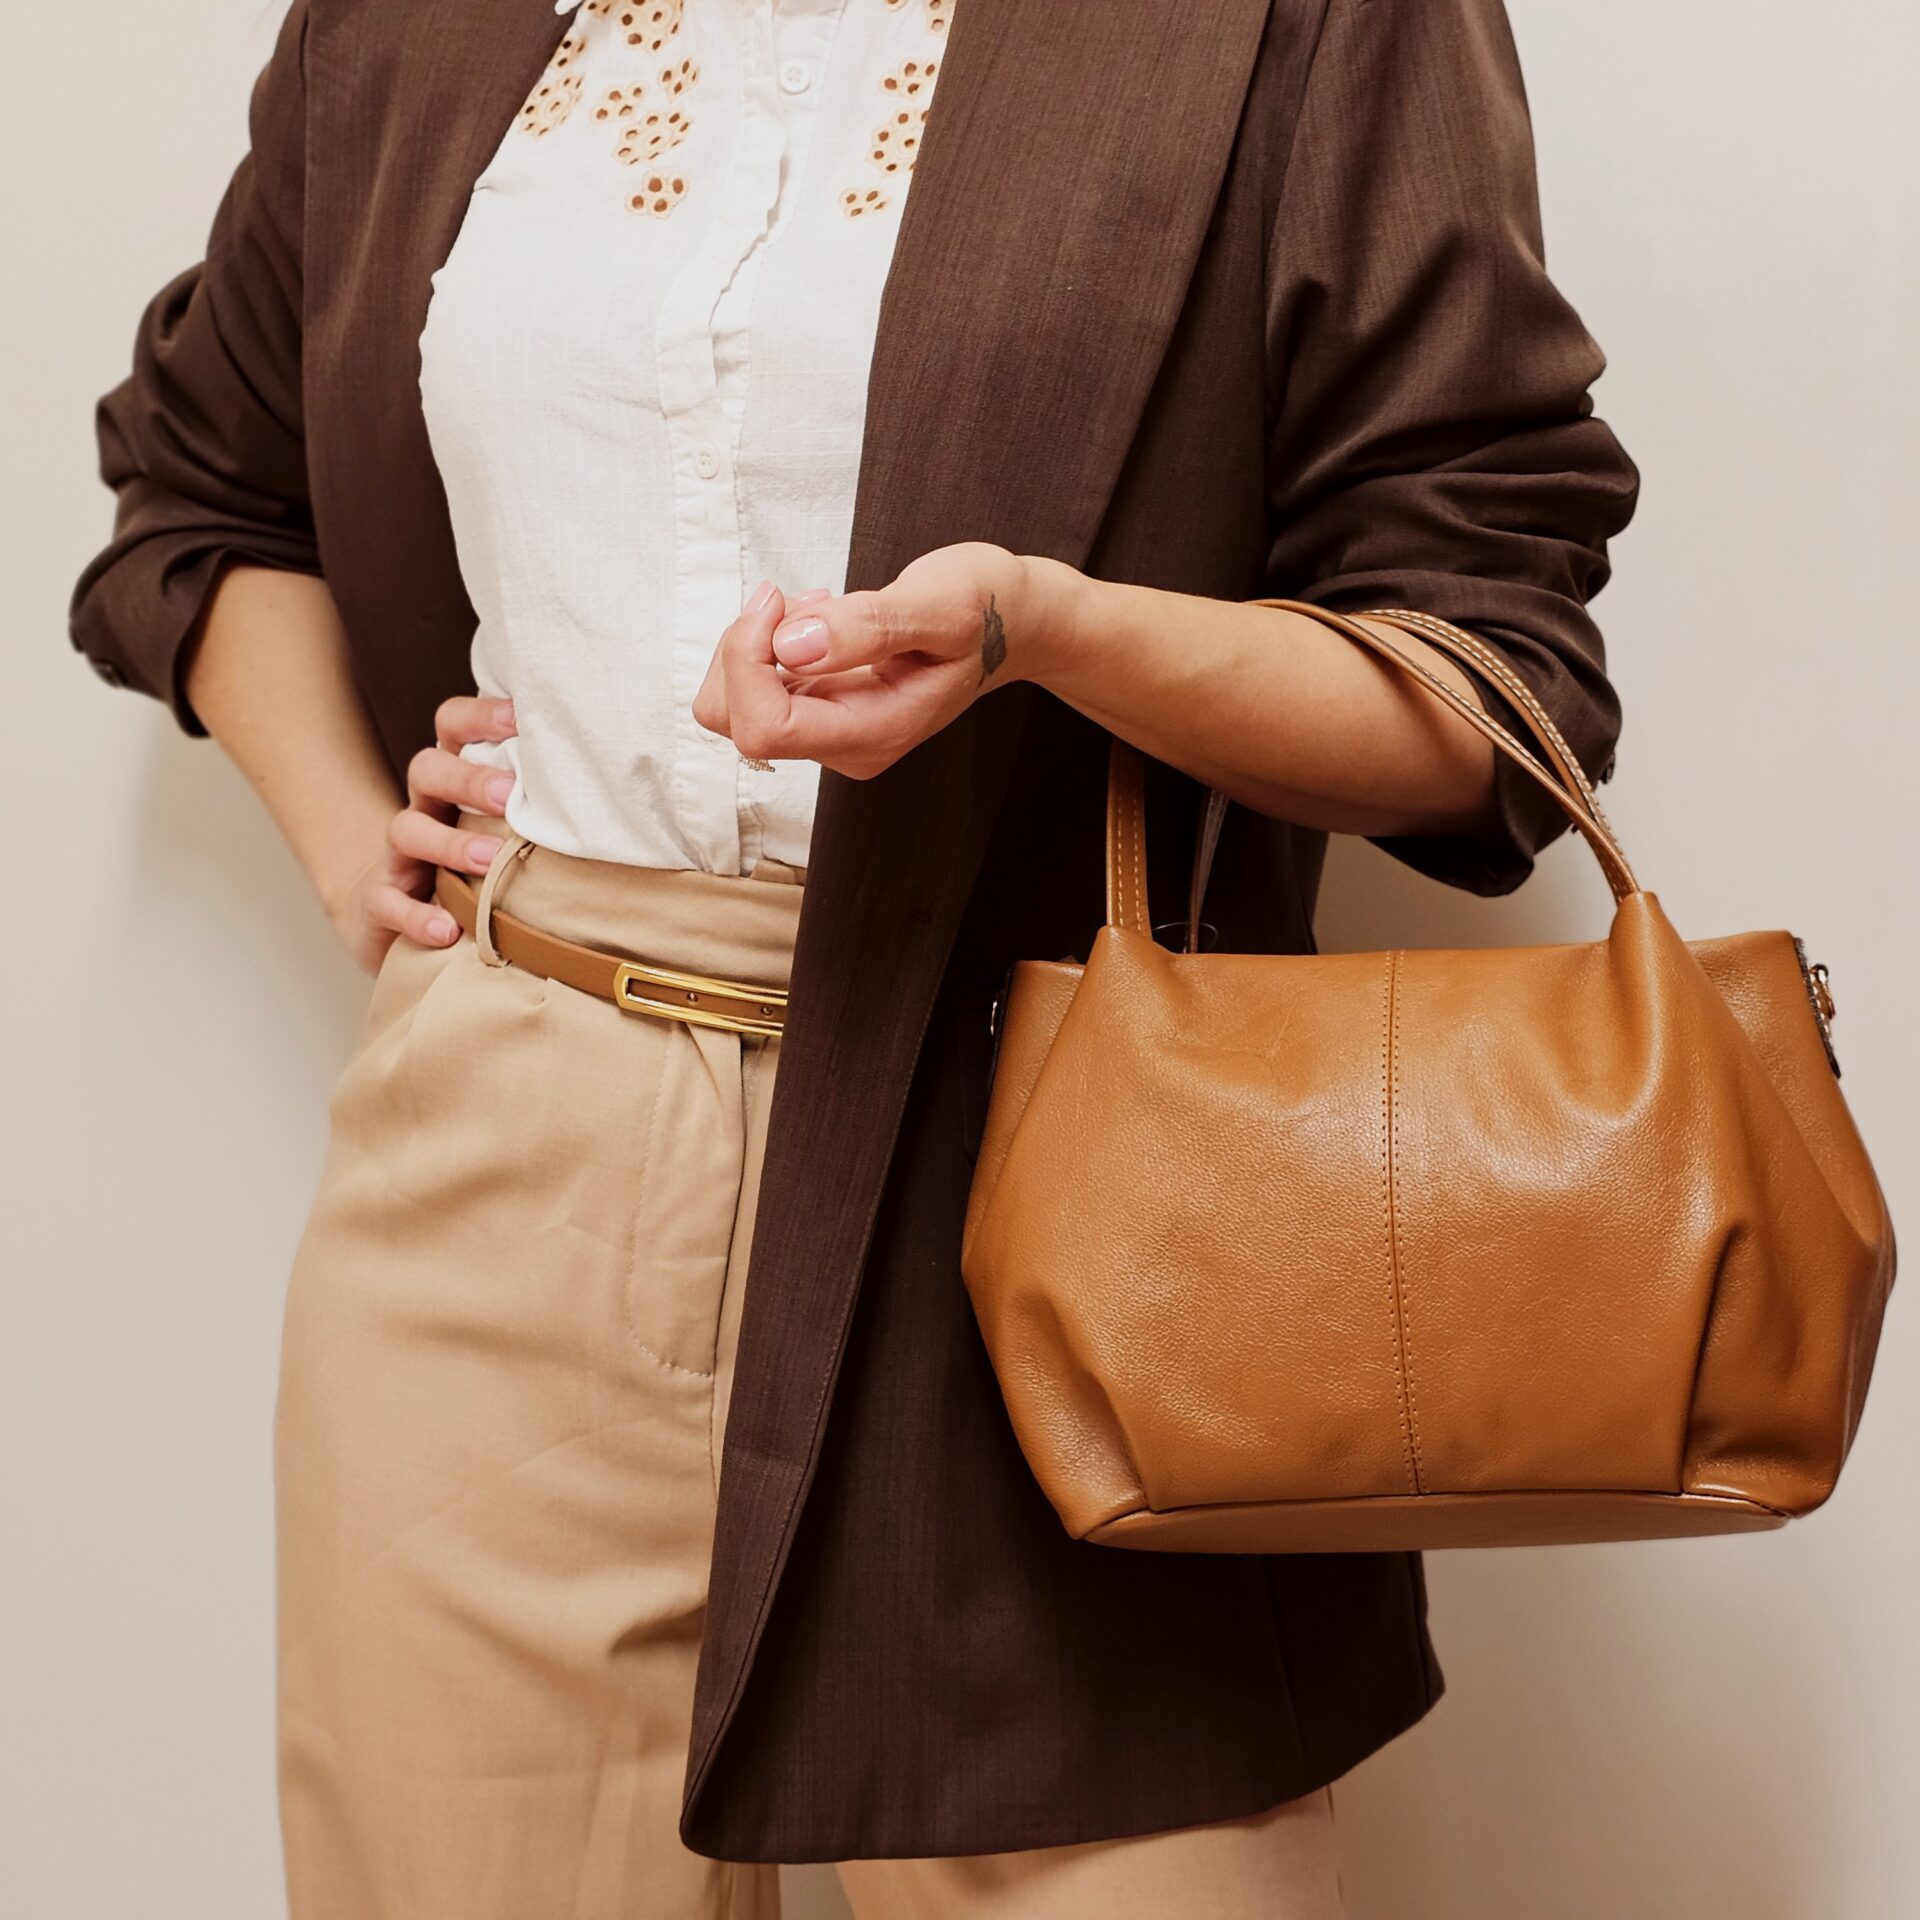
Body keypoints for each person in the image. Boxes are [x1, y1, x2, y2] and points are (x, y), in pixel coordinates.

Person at [69, 1, 1638, 1913]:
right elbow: (204, 489)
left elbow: (1491, 681)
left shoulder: (1300, 23)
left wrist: (1051, 633)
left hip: (1064, 1177)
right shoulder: (410, 24)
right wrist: (355, 849)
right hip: (502, 1163)